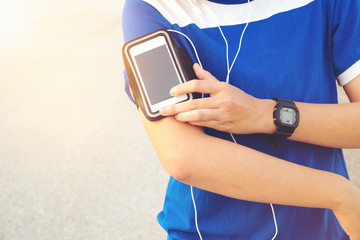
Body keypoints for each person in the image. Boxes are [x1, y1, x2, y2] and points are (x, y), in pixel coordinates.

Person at [122, 0, 360, 239]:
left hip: (322, 231)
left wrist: (267, 114)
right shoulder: (151, 8)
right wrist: (337, 194)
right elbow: (183, 154)